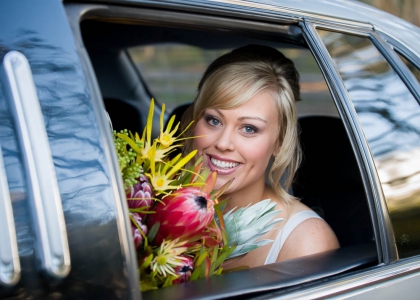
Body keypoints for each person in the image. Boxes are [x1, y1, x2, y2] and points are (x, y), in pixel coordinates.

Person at [181, 45, 339, 268]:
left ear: (279, 142)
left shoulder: (306, 243)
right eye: (214, 120)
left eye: (249, 129)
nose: (223, 143)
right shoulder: (160, 204)